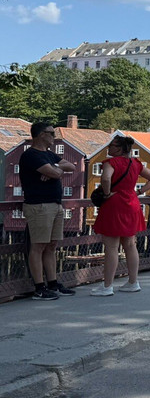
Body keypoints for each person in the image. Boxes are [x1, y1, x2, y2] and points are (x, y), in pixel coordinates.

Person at [91, 135, 150, 295]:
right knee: (130, 245)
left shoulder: (111, 163)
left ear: (119, 149)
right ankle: (133, 282)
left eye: (111, 146)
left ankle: (107, 286)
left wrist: (107, 193)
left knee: (111, 247)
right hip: (132, 203)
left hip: (115, 204)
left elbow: (106, 178)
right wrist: (140, 191)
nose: (108, 149)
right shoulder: (135, 163)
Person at [19, 122, 77, 300]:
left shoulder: (49, 155)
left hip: (54, 204)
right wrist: (56, 170)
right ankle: (39, 287)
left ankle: (52, 283)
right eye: (51, 133)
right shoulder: (31, 155)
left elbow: (72, 166)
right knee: (38, 246)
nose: (54, 136)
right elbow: (55, 173)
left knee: (51, 246)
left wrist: (56, 168)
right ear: (40, 134)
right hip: (39, 205)